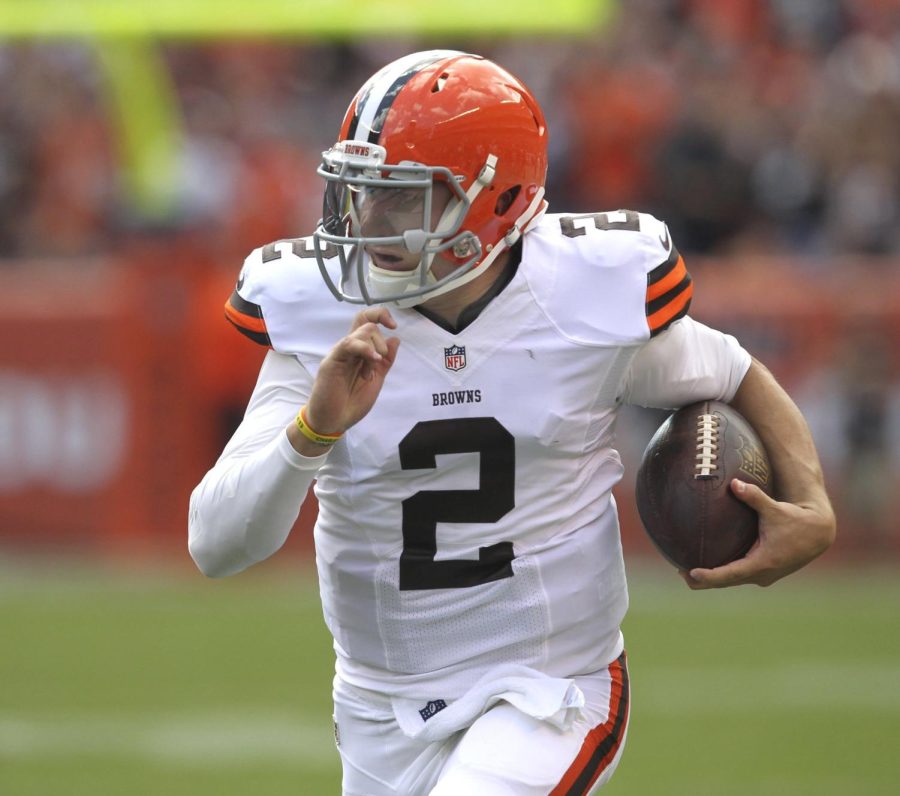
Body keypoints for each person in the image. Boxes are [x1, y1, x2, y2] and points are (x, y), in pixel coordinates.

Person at [188, 50, 835, 795]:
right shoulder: (324, 322)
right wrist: (312, 432)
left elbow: (731, 371)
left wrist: (812, 501)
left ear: (490, 200)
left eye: (402, 198)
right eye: (360, 190)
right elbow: (217, 546)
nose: (365, 220)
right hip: (376, 703)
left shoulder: (580, 299)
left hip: (548, 689)